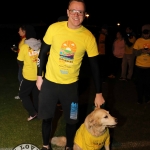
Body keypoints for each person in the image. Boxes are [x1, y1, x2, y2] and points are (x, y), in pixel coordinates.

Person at [36, 0, 105, 149]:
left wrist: (99, 92)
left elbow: (95, 67)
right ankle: (46, 145)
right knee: (47, 118)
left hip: (71, 88)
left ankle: (69, 147)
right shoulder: (54, 28)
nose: (76, 14)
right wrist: (39, 77)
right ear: (67, 12)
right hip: (49, 84)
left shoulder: (88, 37)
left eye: (80, 12)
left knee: (71, 120)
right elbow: (42, 53)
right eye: (73, 10)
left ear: (84, 15)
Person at [17, 24, 41, 121]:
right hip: (39, 76)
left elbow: (19, 60)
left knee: (22, 94)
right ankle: (38, 114)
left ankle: (33, 112)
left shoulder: (24, 46)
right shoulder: (40, 45)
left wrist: (25, 67)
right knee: (36, 95)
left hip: (28, 76)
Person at [133, 24, 150, 104]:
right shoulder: (138, 40)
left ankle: (147, 98)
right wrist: (141, 51)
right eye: (144, 33)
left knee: (148, 84)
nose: (146, 35)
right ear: (142, 33)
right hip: (139, 66)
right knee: (139, 84)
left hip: (148, 67)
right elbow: (134, 52)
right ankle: (139, 99)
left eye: (147, 33)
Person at [11, 25, 26, 99]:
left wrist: (17, 50)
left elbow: (24, 51)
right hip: (21, 62)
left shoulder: (25, 40)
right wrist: (16, 50)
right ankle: (23, 94)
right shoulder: (22, 39)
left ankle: (22, 95)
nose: (18, 32)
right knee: (21, 78)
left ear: (24, 31)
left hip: (24, 63)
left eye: (20, 30)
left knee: (21, 78)